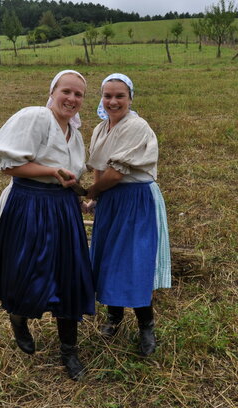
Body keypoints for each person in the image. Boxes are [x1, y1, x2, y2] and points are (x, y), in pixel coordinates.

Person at [0, 70, 94, 380]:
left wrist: (79, 197)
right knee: (24, 271)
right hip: (29, 204)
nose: (72, 99)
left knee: (69, 275)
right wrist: (51, 171)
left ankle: (69, 352)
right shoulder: (35, 117)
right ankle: (18, 317)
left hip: (63, 207)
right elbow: (8, 165)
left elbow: (69, 176)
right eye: (67, 91)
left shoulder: (75, 134)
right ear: (53, 91)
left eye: (79, 95)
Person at [85, 73, 171, 356]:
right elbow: (99, 167)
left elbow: (116, 173)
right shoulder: (101, 129)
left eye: (119, 96)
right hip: (112, 200)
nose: (113, 101)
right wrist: (96, 197)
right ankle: (114, 318)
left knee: (135, 261)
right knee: (109, 258)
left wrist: (91, 193)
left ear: (130, 98)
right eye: (107, 96)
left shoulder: (136, 126)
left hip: (136, 200)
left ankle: (146, 325)